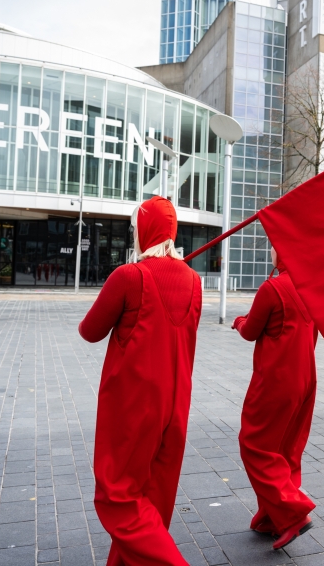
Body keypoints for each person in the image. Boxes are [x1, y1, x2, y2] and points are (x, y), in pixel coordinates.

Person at [79, 196, 201, 566]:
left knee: (119, 495)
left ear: (142, 231)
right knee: (153, 496)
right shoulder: (194, 281)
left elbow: (90, 331)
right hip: (175, 403)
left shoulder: (130, 277)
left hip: (133, 404)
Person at [232, 248, 317, 550]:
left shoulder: (272, 288)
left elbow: (250, 331)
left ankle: (293, 513)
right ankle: (272, 516)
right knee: (286, 449)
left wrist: (239, 320)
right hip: (305, 378)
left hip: (276, 380)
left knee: (255, 445)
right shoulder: (311, 284)